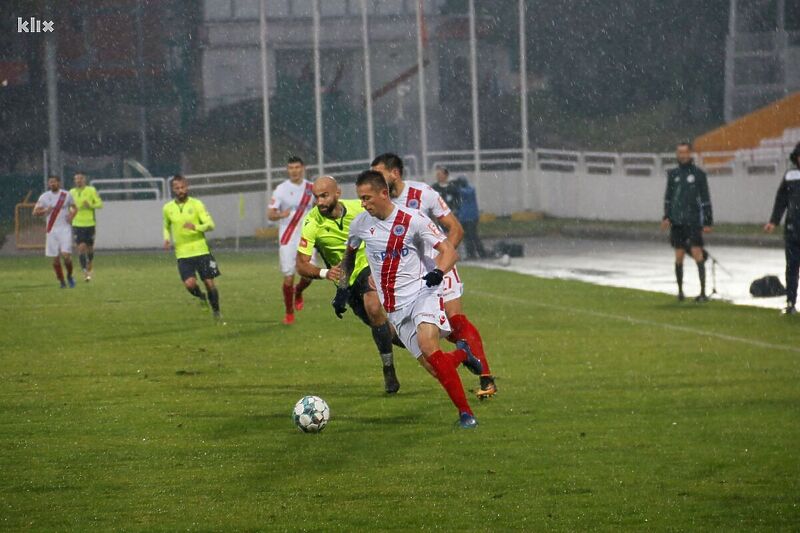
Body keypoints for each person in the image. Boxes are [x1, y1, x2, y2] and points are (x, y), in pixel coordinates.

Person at [341, 170, 482, 428]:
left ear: (384, 193)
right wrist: (341, 290)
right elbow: (349, 256)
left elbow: (448, 250)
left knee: (429, 346)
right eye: (361, 199)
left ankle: (466, 414)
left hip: (422, 293)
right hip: (394, 307)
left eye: (367, 197)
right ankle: (463, 354)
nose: (363, 204)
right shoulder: (360, 224)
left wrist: (438, 272)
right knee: (433, 366)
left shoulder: (413, 219)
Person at [371, 153, 497, 399]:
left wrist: (441, 263)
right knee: (437, 333)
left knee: (456, 320)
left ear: (394, 173)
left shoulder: (423, 194)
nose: (374, 179)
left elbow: (456, 229)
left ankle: (486, 378)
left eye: (378, 172)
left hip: (438, 268)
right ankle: (463, 356)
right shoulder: (379, 204)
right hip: (407, 277)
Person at [295, 176, 401, 393]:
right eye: (316, 197)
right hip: (345, 281)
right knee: (382, 327)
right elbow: (301, 265)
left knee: (374, 307)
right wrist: (325, 273)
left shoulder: (359, 208)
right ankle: (420, 348)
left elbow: (389, 219)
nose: (319, 202)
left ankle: (388, 370)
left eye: (324, 196)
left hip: (366, 266)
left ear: (337, 193)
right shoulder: (312, 223)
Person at [163, 175, 224, 323]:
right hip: (183, 253)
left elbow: (211, 225)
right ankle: (201, 297)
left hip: (201, 251)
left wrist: (196, 227)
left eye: (182, 187)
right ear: (173, 189)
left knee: (209, 283)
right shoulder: (167, 208)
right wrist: (166, 239)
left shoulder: (197, 204)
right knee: (189, 284)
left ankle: (216, 312)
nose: (180, 190)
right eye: (177, 188)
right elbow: (166, 226)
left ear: (187, 187)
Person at [660, 142, 713, 302]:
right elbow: (668, 198)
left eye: (684, 152)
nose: (682, 155)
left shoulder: (698, 174)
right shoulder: (673, 174)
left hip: (693, 221)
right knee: (679, 255)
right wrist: (667, 217)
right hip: (677, 222)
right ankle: (680, 292)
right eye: (679, 152)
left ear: (690, 154)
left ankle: (703, 292)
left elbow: (705, 200)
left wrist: (708, 222)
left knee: (697, 253)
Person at [268, 156, 315, 325]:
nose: (294, 171)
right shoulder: (281, 189)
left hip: (306, 238)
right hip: (287, 238)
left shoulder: (311, 188)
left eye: (297, 167)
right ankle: (289, 313)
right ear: (287, 170)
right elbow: (270, 214)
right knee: (289, 276)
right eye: (291, 168)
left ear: (303, 168)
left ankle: (299, 291)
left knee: (309, 275)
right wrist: (281, 214)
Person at [764, 142, 800, 315]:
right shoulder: (790, 175)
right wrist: (774, 221)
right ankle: (791, 302)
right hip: (793, 230)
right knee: (791, 267)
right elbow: (781, 200)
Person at [33, 175, 77, 288]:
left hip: (65, 229)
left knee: (66, 255)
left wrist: (71, 216)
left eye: (54, 182)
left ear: (59, 183)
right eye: (50, 182)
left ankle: (70, 276)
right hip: (51, 230)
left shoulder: (66, 195)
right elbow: (35, 212)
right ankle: (61, 281)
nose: (52, 184)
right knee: (55, 258)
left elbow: (75, 207)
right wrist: (45, 210)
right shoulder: (44, 197)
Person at [69, 173, 103, 281]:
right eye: (76, 179)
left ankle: (90, 263)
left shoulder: (91, 190)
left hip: (89, 224)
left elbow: (100, 204)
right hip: (77, 224)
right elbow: (68, 206)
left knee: (89, 249)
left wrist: (90, 205)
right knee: (81, 247)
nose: (78, 180)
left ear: (84, 180)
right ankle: (85, 271)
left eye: (80, 178)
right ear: (74, 181)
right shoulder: (71, 192)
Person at [454, 175, 488, 260]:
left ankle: (481, 253)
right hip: (464, 218)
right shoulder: (460, 192)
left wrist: (457, 188)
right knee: (466, 237)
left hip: (471, 217)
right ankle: (471, 254)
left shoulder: (470, 189)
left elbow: (466, 193)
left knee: (473, 235)